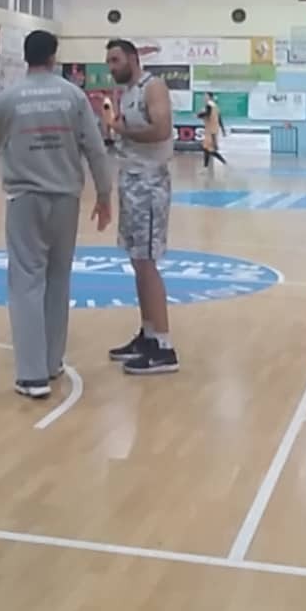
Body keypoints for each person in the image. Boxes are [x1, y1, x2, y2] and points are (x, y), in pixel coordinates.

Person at [0, 30, 112, 401]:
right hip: (66, 199)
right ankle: (51, 362)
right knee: (58, 279)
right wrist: (105, 194)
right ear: (53, 56)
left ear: (25, 57)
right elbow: (95, 149)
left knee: (26, 283)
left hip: (25, 198)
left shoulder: (10, 97)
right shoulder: (74, 96)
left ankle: (32, 377)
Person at [106, 38, 179, 376]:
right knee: (137, 261)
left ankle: (164, 347)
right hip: (130, 180)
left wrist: (122, 129)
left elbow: (161, 130)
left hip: (150, 183)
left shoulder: (153, 87)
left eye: (116, 60)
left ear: (133, 59)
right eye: (109, 61)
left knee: (147, 263)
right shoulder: (127, 93)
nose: (111, 67)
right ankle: (148, 334)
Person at [197, 91, 227, 169]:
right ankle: (206, 166)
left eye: (206, 96)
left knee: (209, 149)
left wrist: (199, 115)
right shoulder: (215, 106)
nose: (204, 97)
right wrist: (223, 130)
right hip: (213, 129)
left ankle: (224, 162)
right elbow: (219, 118)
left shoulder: (209, 105)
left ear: (210, 97)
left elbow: (207, 113)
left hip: (211, 130)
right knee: (207, 148)